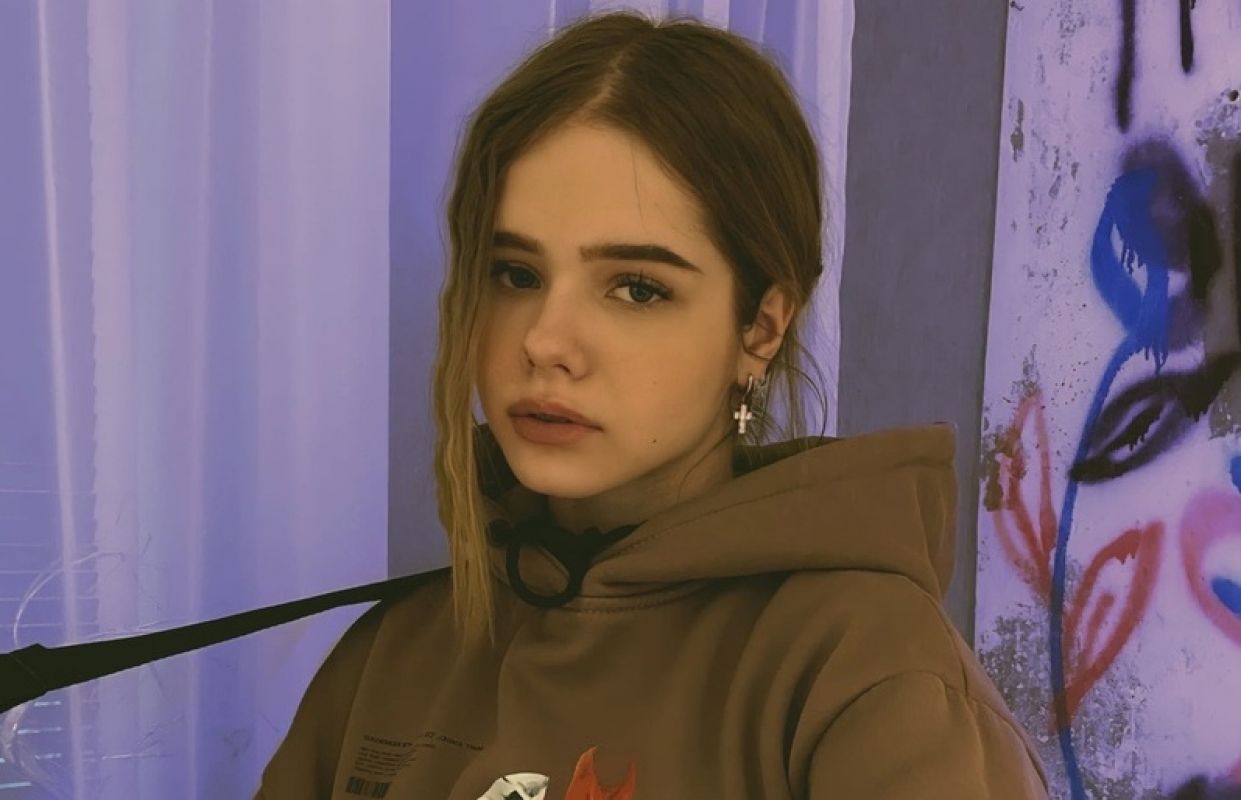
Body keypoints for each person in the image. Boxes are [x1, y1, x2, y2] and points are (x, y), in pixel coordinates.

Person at [254, 9, 1049, 799]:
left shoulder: (865, 673)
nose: (545, 341)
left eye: (636, 288)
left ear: (760, 328)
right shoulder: (390, 656)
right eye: (515, 274)